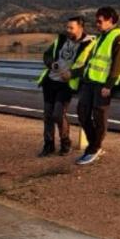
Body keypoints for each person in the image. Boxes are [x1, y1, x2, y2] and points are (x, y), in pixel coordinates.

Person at [75, 6, 120, 165]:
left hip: (103, 85)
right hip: (90, 81)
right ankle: (94, 145)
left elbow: (118, 63)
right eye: (96, 21)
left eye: (100, 21)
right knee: (82, 113)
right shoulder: (100, 37)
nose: (97, 24)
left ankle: (94, 148)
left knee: (99, 117)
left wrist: (110, 85)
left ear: (110, 20)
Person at [36, 16, 95, 156]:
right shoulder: (62, 39)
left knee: (58, 114)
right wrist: (52, 64)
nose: (68, 30)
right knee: (48, 115)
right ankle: (48, 145)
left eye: (71, 28)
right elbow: (47, 55)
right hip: (50, 81)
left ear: (81, 28)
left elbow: (89, 66)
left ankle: (65, 142)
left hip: (66, 85)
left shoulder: (89, 44)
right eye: (67, 27)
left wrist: (72, 73)